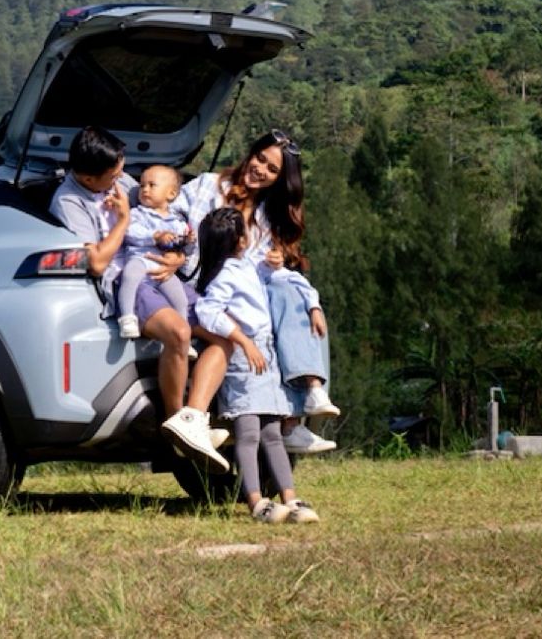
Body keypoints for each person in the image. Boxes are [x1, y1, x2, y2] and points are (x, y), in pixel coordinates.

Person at [52, 127, 231, 472]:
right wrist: (124, 219)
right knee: (179, 332)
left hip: (160, 271)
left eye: (122, 169)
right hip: (127, 280)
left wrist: (178, 255)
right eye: (113, 174)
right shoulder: (69, 201)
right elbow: (97, 262)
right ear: (88, 178)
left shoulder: (120, 180)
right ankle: (176, 422)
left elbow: (162, 214)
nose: (124, 180)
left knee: (223, 334)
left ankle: (192, 419)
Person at [177, 129, 340, 454]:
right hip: (195, 289)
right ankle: (284, 420)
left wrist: (309, 300)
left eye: (272, 169)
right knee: (264, 321)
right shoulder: (206, 185)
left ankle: (296, 413)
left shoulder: (265, 219)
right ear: (251, 154)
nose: (260, 169)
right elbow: (168, 215)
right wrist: (174, 240)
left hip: (237, 297)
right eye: (260, 159)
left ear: (279, 179)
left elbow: (256, 276)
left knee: (290, 303)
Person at [192, 206, 321, 522]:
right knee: (248, 431)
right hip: (244, 357)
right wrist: (242, 339)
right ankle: (255, 501)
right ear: (239, 240)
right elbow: (208, 311)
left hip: (265, 355)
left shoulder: (246, 265)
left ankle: (289, 498)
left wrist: (279, 267)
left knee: (272, 432)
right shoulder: (225, 274)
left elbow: (275, 276)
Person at [115, 165, 194, 339]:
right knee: (130, 276)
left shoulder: (177, 223)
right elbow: (129, 232)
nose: (145, 189)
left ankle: (185, 334)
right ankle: (127, 317)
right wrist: (154, 236)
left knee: (180, 298)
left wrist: (188, 241)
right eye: (142, 185)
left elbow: (183, 250)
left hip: (162, 268)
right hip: (140, 258)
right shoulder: (136, 213)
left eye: (152, 185)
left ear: (171, 194)